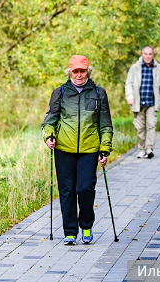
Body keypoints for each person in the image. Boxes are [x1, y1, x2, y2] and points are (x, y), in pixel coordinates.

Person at [42, 55, 113, 245]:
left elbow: (105, 125)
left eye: (83, 71)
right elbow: (50, 120)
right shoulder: (60, 92)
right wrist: (49, 136)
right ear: (70, 72)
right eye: (76, 71)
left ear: (88, 71)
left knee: (85, 188)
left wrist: (104, 149)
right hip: (64, 148)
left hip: (90, 149)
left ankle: (87, 226)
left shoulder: (99, 93)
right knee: (67, 191)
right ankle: (70, 232)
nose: (79, 75)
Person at [124, 46, 160, 159]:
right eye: (146, 54)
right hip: (138, 102)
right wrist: (130, 96)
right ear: (142, 55)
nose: (148, 56)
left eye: (150, 54)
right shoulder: (135, 68)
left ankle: (149, 149)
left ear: (153, 55)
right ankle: (142, 149)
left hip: (152, 102)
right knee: (140, 128)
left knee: (151, 126)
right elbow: (128, 83)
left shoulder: (159, 68)